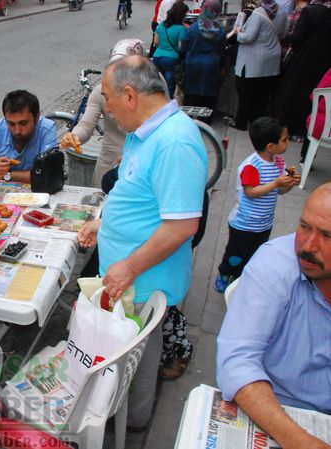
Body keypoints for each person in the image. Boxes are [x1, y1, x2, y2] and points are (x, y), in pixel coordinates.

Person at [77, 55, 207, 429]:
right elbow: (140, 196)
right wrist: (104, 223)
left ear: (130, 95)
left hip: (144, 282)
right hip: (129, 277)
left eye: (107, 97)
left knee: (139, 356)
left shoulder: (174, 142)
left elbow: (182, 226)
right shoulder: (144, 131)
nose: (107, 108)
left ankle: (133, 424)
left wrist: (130, 267)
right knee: (124, 352)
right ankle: (122, 412)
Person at [216, 182, 331, 449]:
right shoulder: (274, 268)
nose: (308, 245)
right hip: (280, 411)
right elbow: (236, 361)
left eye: (328, 236)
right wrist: (302, 442)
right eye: (304, 227)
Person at [214, 117, 300, 292]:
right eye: (284, 140)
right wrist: (276, 183)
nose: (287, 143)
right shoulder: (251, 166)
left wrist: (289, 184)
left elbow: (279, 192)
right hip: (243, 225)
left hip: (264, 224)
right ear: (270, 146)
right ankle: (225, 274)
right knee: (235, 255)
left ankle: (241, 277)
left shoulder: (278, 163)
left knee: (254, 255)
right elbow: (251, 193)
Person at [59, 39, 149, 188]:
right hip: (109, 161)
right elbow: (86, 124)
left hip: (142, 165)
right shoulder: (101, 91)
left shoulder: (152, 88)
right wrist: (75, 136)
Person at [0, 90, 56, 184]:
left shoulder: (46, 129)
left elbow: (49, 175)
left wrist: (7, 175)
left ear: (37, 118)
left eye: (23, 123)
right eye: (11, 124)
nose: (17, 131)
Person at [272, 0, 331, 140]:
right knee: (312, 97)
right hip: (323, 62)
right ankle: (302, 130)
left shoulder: (309, 11)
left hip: (303, 60)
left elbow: (297, 37)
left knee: (291, 92)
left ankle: (288, 128)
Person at [231, 0, 288, 131]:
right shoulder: (282, 11)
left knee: (246, 93)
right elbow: (284, 33)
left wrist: (237, 32)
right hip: (272, 61)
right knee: (263, 96)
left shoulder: (258, 13)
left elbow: (248, 37)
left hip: (252, 61)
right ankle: (258, 123)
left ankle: (241, 122)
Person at [181, 0, 226, 123]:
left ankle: (189, 119)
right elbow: (222, 51)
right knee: (208, 93)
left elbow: (184, 48)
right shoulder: (220, 31)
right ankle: (205, 120)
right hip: (212, 65)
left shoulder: (193, 28)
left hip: (193, 64)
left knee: (192, 92)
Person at [153, 1, 189, 99]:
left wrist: (162, 49)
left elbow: (156, 41)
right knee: (169, 88)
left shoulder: (161, 25)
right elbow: (181, 47)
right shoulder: (180, 29)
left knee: (158, 85)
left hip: (157, 57)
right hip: (171, 60)